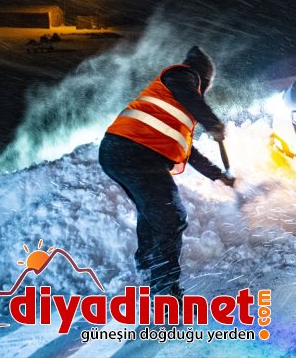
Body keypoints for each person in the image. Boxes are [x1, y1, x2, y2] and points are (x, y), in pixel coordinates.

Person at [99, 46, 236, 297]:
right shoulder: (181, 76)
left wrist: (219, 176)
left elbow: (190, 153)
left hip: (119, 153)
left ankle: (147, 264)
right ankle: (165, 295)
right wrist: (212, 123)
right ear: (203, 78)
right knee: (171, 217)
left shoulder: (174, 110)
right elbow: (190, 95)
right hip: (135, 153)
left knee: (152, 212)